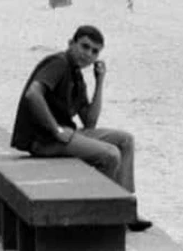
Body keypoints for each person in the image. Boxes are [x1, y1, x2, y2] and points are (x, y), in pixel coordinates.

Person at [10, 25, 152, 233]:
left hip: (66, 134)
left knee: (125, 140)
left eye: (95, 51)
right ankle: (100, 215)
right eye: (84, 46)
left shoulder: (76, 75)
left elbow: (90, 121)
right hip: (43, 139)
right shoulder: (58, 63)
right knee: (110, 155)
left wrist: (100, 81)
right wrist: (56, 129)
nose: (88, 54)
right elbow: (33, 94)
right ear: (71, 44)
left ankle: (124, 206)